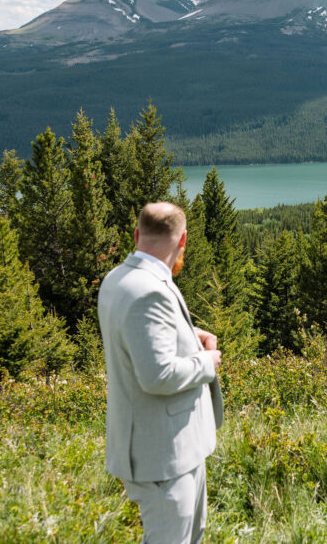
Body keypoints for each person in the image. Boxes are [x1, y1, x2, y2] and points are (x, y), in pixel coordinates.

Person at [98, 201, 224, 543]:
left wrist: (187, 336)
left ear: (138, 235)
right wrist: (207, 363)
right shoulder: (149, 291)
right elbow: (157, 375)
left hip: (173, 448)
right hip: (162, 455)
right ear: (182, 240)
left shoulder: (118, 279)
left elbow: (136, 339)